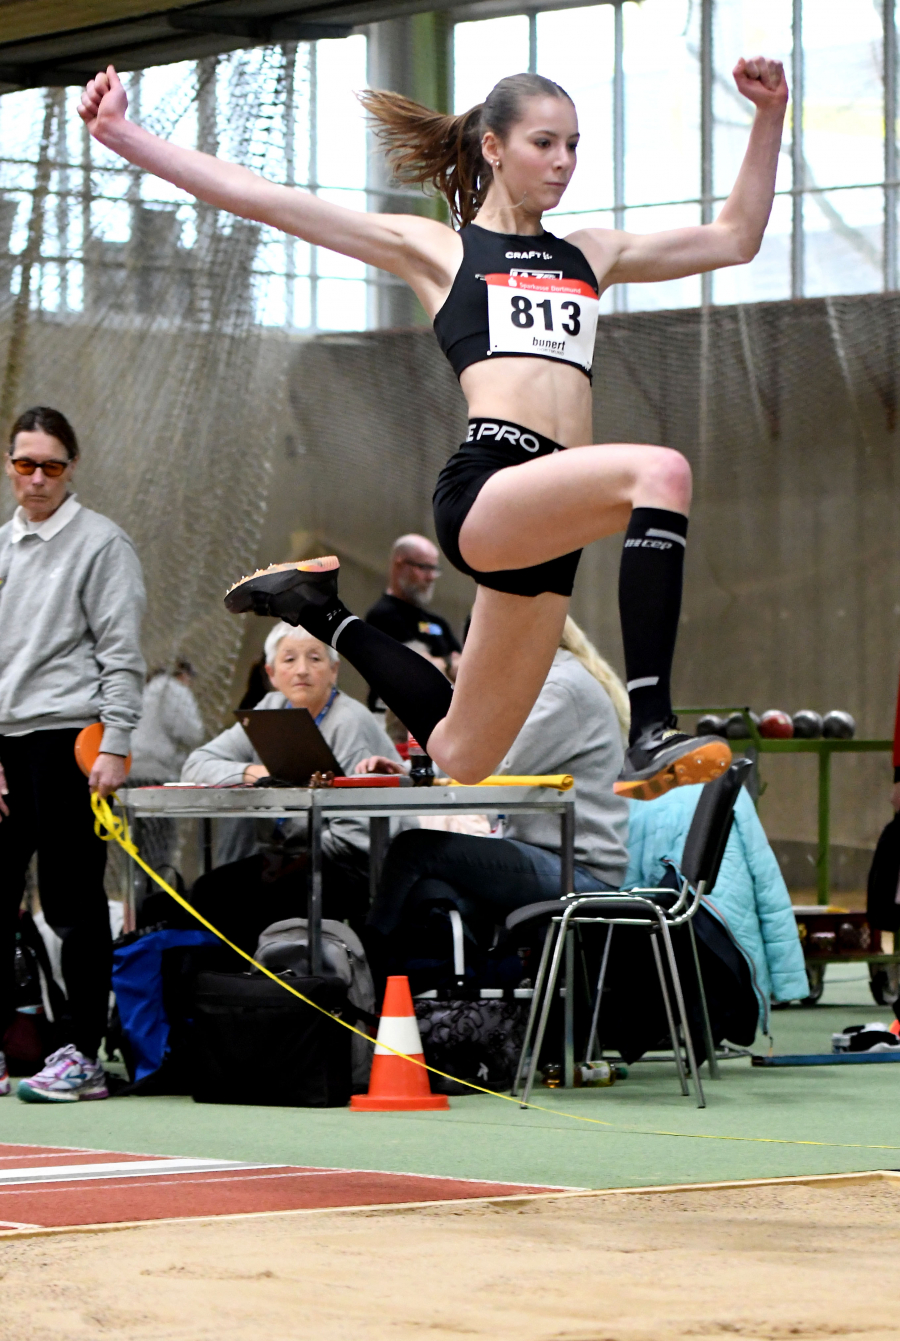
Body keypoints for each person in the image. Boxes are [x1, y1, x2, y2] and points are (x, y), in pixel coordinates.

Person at [79, 59, 787, 801]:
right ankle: (652, 728)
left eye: (573, 145)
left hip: (552, 521)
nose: (564, 162)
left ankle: (319, 611)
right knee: (661, 473)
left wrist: (769, 114)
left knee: (464, 754)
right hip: (490, 485)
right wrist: (123, 134)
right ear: (493, 147)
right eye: (544, 143)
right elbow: (265, 199)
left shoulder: (590, 253)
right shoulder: (443, 251)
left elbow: (735, 237)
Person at [0, 406, 146, 1102]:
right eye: (24, 464)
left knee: (73, 904)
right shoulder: (3, 546)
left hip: (70, 743)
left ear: (71, 466)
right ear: (9, 466)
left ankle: (81, 1054)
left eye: (51, 465)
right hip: (5, 746)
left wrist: (115, 743)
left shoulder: (102, 544)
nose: (37, 477)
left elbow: (121, 651)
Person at [356, 617, 629, 962]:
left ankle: (364, 964)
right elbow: (482, 761)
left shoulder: (561, 688)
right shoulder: (542, 680)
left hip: (579, 871)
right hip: (548, 856)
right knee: (430, 892)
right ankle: (440, 989)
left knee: (413, 848)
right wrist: (413, 772)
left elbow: (495, 766)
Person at [181, 622, 410, 950]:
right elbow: (196, 765)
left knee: (260, 900)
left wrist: (290, 864)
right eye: (289, 659)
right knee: (208, 891)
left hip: (355, 865)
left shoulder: (349, 720)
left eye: (314, 658)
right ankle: (230, 979)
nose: (302, 670)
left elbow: (354, 837)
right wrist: (259, 773)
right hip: (290, 856)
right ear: (272, 673)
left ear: (333, 670)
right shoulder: (270, 710)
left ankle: (272, 978)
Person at [129, 659, 205, 898]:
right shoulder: (173, 689)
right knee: (160, 848)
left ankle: (137, 899)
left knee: (136, 848)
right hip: (156, 775)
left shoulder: (145, 689)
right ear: (184, 675)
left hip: (130, 774)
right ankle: (154, 900)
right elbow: (192, 732)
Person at [365, 534, 461, 711]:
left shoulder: (437, 622)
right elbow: (419, 670)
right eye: (424, 567)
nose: (431, 577)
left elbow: (465, 670)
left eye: (434, 568)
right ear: (399, 565)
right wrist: (449, 663)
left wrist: (443, 665)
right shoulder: (382, 616)